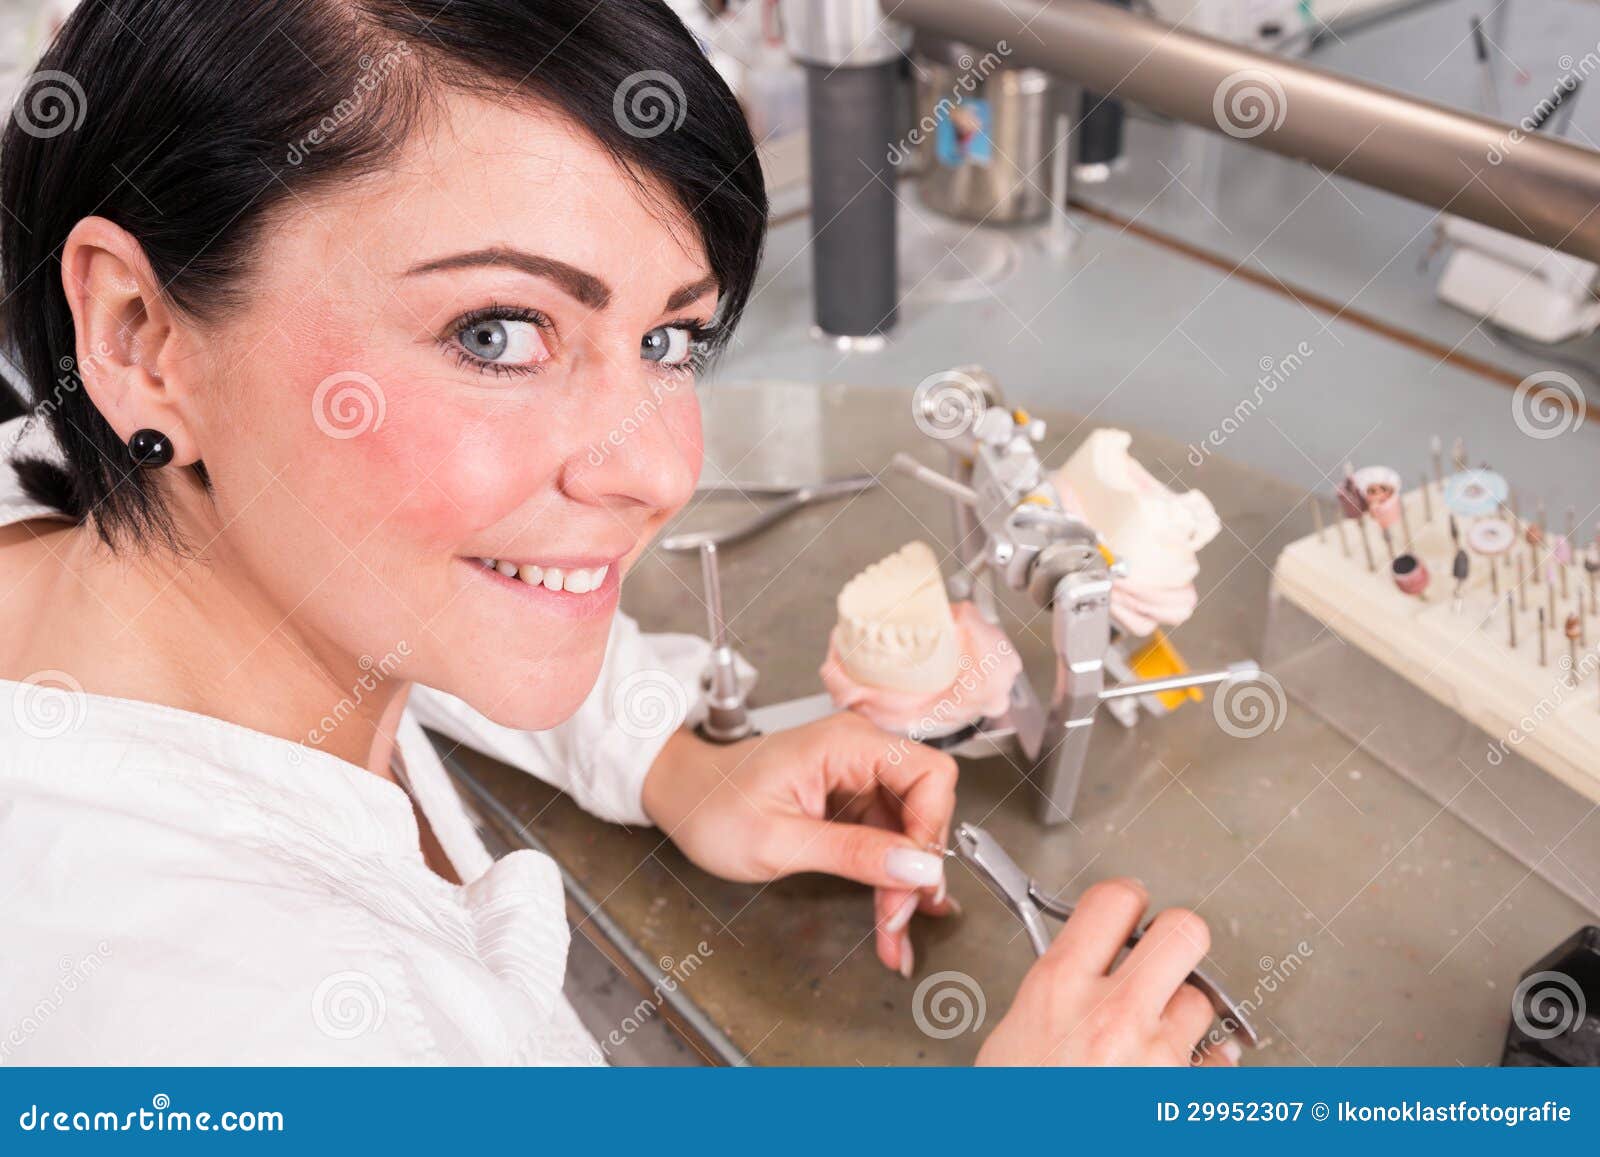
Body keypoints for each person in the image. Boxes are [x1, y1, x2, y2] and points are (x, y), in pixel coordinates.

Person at [0, 0, 1230, 1066]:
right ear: (137, 333)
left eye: (668, 341)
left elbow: (377, 562)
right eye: (495, 332)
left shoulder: (91, 513)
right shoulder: (257, 1032)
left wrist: (672, 757)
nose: (656, 469)